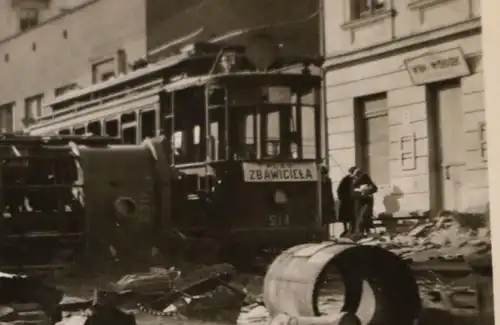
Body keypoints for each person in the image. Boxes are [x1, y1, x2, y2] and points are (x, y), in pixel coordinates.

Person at [349, 166, 378, 237]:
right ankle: (361, 235)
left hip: (367, 202)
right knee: (359, 220)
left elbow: (374, 188)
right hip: (359, 202)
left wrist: (368, 191)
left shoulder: (366, 178)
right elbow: (352, 194)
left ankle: (366, 233)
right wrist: (361, 193)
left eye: (359, 173)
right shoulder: (352, 181)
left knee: (365, 217)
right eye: (356, 174)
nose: (358, 175)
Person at [337, 173, 355, 237]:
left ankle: (349, 230)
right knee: (347, 217)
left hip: (348, 201)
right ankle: (347, 230)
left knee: (349, 217)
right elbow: (339, 190)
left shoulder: (348, 180)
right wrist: (342, 198)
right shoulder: (346, 180)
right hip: (346, 201)